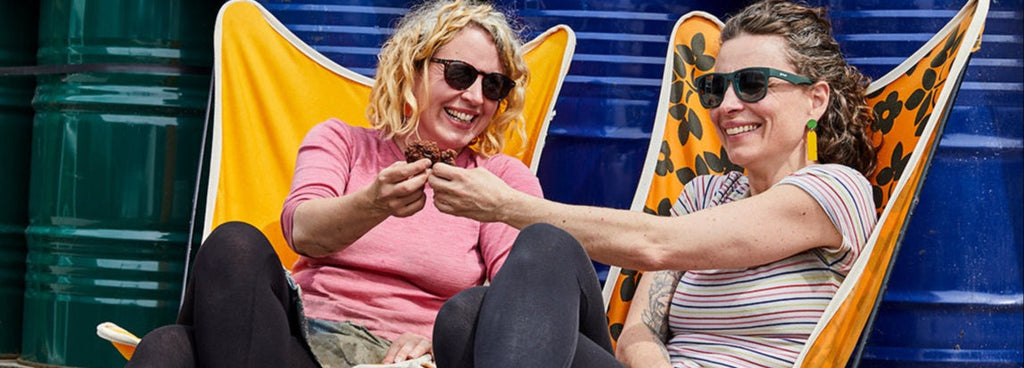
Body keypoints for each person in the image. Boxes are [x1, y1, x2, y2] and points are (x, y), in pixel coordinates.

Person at [427, 0, 879, 367]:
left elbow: (655, 244)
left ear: (815, 100)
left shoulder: (835, 191)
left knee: (541, 243)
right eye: (715, 88)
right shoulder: (703, 194)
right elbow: (638, 331)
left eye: (753, 84)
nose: (728, 105)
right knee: (465, 315)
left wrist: (506, 206)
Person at [126, 0, 541, 367]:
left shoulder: (500, 182)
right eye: (459, 74)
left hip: (399, 357)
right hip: (298, 340)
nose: (474, 97)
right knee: (232, 245)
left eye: (493, 85)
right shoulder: (341, 142)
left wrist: (441, 341)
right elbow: (302, 232)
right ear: (409, 67)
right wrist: (374, 203)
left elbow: (526, 302)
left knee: (167, 348)